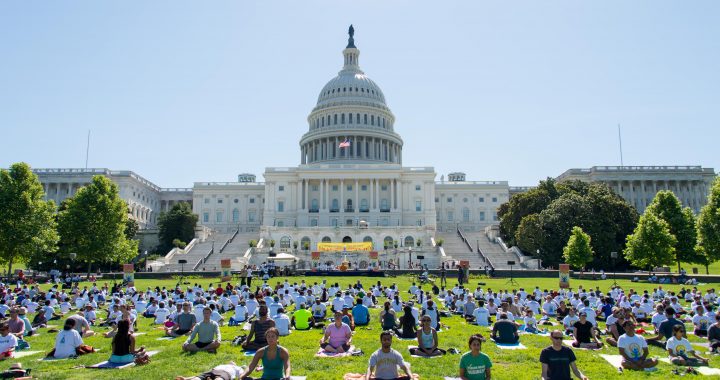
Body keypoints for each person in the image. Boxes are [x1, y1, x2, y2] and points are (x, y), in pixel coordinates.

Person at [175, 362, 244, 380]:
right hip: (213, 371)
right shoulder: (222, 365)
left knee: (219, 379)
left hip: (225, 373)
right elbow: (198, 375)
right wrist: (186, 378)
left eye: (233, 361)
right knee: (197, 378)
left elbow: (242, 376)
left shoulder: (238, 368)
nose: (232, 361)